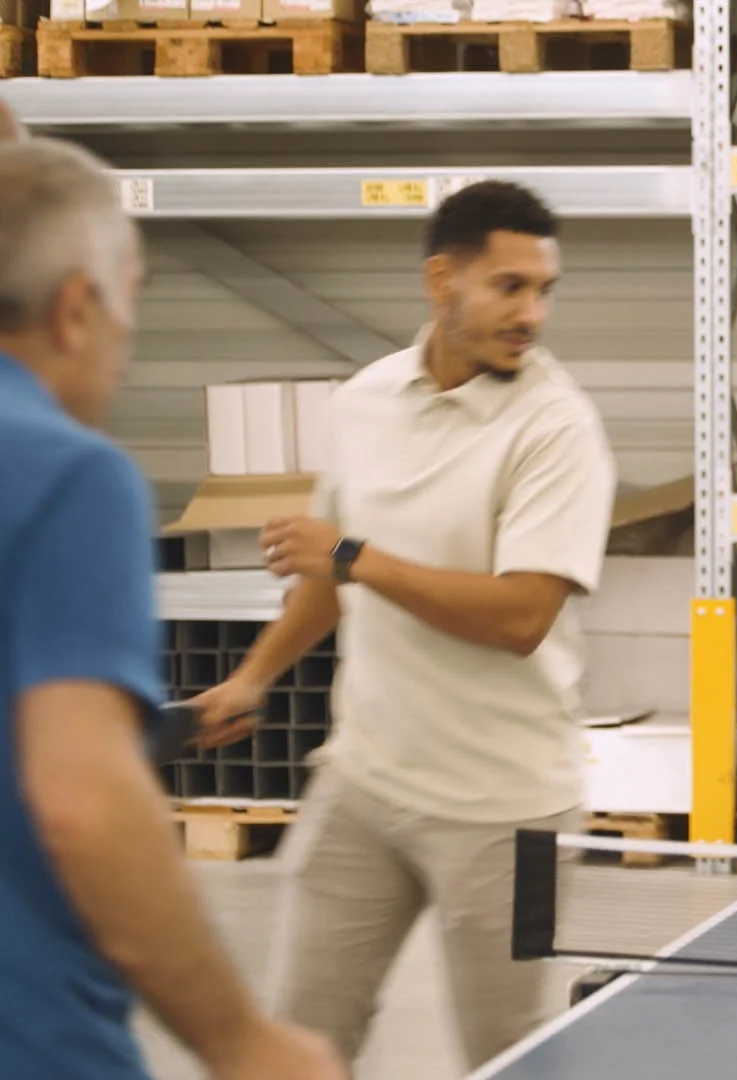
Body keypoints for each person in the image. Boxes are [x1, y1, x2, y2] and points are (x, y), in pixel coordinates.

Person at [190, 180, 618, 1071]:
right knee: (300, 1041)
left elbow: (521, 616)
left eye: (544, 290)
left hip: (506, 813)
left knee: (507, 1058)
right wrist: (254, 675)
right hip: (365, 786)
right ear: (441, 280)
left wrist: (353, 555)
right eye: (509, 286)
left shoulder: (557, 428)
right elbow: (326, 580)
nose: (532, 313)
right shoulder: (365, 400)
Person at [0, 132, 347, 1077]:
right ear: (77, 309)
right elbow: (80, 799)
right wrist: (242, 1040)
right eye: (133, 301)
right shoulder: (66, 473)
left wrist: (173, 726)